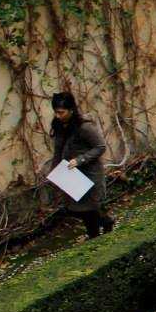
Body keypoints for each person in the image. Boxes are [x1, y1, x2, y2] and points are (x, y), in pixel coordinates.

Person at [41, 91, 114, 238]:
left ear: (71, 110)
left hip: (89, 173)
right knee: (77, 208)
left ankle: (100, 228)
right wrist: (55, 172)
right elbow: (58, 151)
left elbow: (100, 147)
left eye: (61, 112)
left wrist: (80, 160)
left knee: (89, 208)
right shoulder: (60, 127)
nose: (58, 116)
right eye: (56, 112)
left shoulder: (84, 127)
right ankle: (100, 227)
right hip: (71, 174)